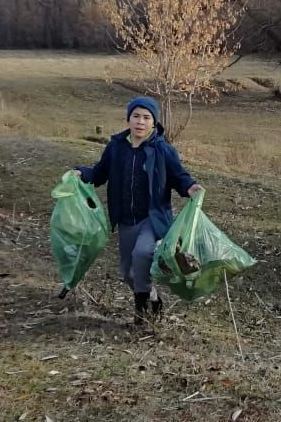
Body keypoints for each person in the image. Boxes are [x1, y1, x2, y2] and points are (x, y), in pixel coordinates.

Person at [74, 96, 203, 325]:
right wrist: (81, 174)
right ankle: (152, 298)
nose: (140, 122)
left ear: (154, 123)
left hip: (152, 218)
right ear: (129, 119)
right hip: (126, 219)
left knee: (142, 254)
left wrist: (190, 187)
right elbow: (100, 173)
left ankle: (141, 310)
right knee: (127, 272)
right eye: (136, 116)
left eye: (146, 118)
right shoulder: (116, 147)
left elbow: (178, 176)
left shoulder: (163, 150)